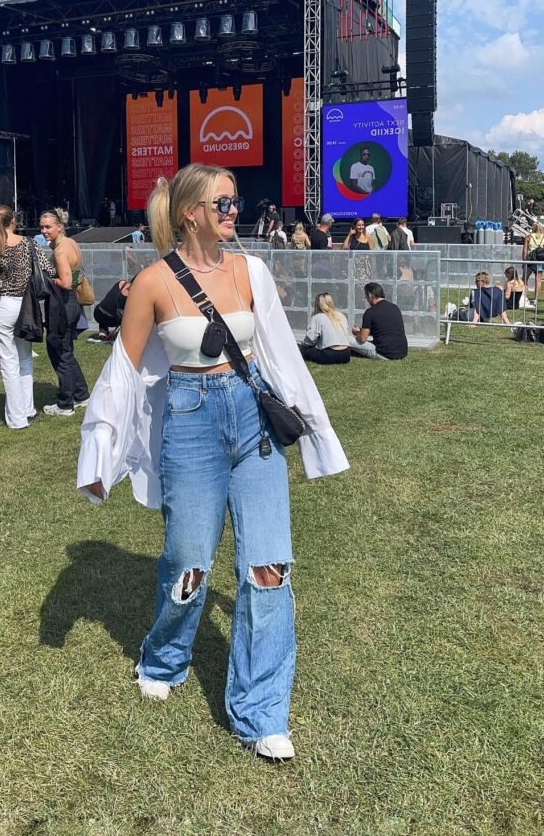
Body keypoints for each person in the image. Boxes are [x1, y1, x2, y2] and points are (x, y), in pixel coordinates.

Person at [77, 164, 348, 762]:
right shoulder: (151, 282)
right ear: (189, 212)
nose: (235, 210)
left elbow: (281, 358)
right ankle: (165, 657)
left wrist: (317, 436)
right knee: (188, 562)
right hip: (190, 423)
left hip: (252, 423)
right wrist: (100, 451)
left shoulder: (251, 271)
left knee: (269, 565)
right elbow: (122, 374)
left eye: (235, 201)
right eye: (224, 202)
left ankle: (261, 711)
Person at [0, 205, 50, 429]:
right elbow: (47, 269)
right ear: (14, 221)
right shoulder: (30, 244)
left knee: (8, 363)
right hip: (27, 305)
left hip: (4, 306)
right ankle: (27, 408)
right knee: (25, 358)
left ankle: (17, 417)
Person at [38, 207, 90, 416]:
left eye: (48, 227)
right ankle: (81, 394)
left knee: (60, 352)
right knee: (66, 350)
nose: (44, 231)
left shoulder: (60, 250)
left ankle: (65, 403)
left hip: (63, 303)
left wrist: (48, 279)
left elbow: (66, 282)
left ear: (59, 227)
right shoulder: (72, 243)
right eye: (41, 227)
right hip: (72, 304)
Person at [351, 282, 408, 360]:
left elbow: (362, 338)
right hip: (402, 353)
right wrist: (362, 330)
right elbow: (382, 330)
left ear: (370, 295)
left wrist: (356, 332)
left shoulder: (370, 312)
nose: (366, 299)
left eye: (366, 296)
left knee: (348, 339)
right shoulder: (395, 308)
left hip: (385, 354)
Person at [299, 292, 351, 365]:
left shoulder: (318, 317)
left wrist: (304, 344)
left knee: (304, 350)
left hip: (329, 355)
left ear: (318, 305)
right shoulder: (341, 315)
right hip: (346, 355)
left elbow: (310, 340)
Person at [523, 220, 544, 301]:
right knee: (538, 280)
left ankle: (524, 297)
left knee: (525, 279)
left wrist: (524, 259)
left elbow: (525, 250)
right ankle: (536, 299)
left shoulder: (528, 237)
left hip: (530, 259)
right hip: (540, 259)